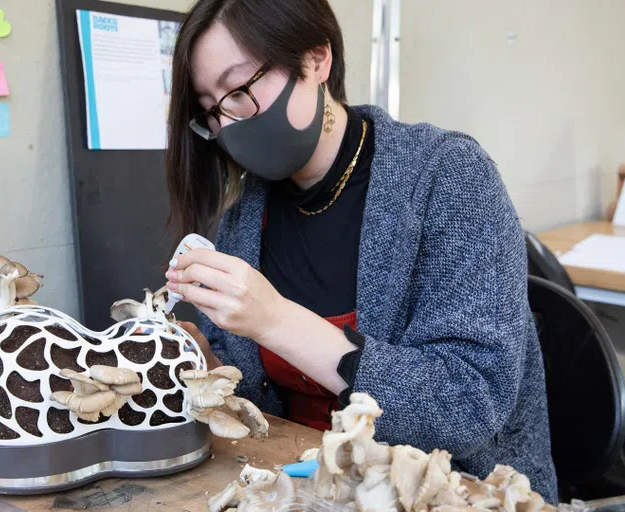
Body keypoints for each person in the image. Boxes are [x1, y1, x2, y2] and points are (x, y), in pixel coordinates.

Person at [162, 0, 558, 502]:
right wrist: (206, 360)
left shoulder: (447, 177)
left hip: (454, 492)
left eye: (240, 90)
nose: (231, 122)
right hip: (299, 485)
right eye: (211, 111)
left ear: (317, 59)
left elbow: (469, 404)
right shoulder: (242, 219)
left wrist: (277, 321)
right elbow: (256, 408)